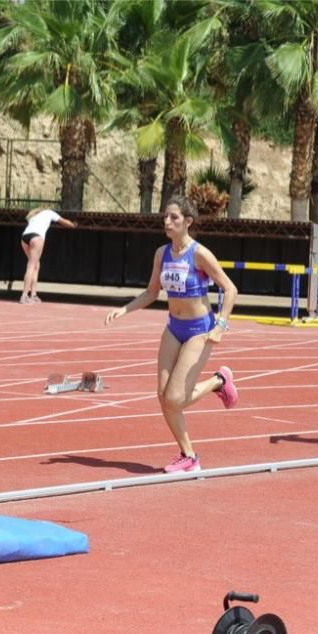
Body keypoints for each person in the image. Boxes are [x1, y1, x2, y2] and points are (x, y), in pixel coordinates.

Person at [105, 196, 239, 473]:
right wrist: (125, 310)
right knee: (163, 397)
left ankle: (218, 380)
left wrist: (221, 326)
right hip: (173, 328)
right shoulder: (161, 254)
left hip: (200, 329)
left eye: (174, 218)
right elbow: (152, 292)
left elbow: (230, 289)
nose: (167, 222)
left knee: (175, 399)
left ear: (188, 222)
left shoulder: (200, 253)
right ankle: (189, 455)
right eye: (165, 217)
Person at [20, 207, 76, 304]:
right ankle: (24, 295)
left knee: (36, 265)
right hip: (37, 237)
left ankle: (33, 295)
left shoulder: (33, 215)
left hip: (24, 237)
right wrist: (73, 225)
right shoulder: (49, 212)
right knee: (31, 266)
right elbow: (63, 221)